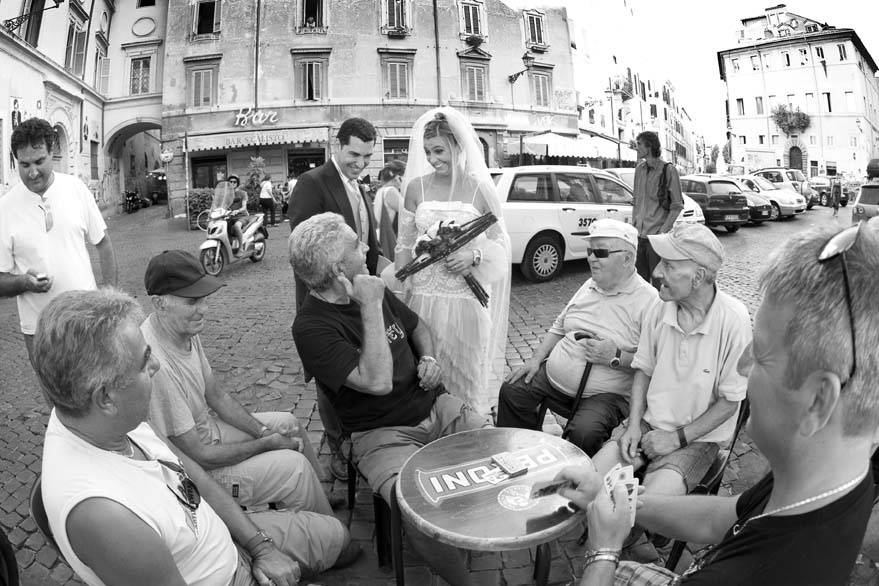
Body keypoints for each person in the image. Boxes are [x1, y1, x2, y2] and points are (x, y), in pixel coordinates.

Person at [556, 220, 879, 586]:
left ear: (818, 401)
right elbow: (719, 517)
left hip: (689, 445)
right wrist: (607, 493)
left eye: (760, 353)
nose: (743, 365)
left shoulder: (743, 574)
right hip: (650, 427)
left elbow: (728, 401)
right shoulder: (827, 484)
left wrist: (605, 551)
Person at [36, 288, 359, 586]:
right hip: (228, 575)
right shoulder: (102, 514)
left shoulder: (106, 417)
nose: (156, 365)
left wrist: (260, 546)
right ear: (105, 397)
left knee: (340, 540)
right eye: (143, 362)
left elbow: (194, 478)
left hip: (224, 537)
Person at [289, 212, 490, 586]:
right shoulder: (312, 326)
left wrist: (428, 358)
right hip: (381, 434)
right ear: (337, 268)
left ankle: (470, 529)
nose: (366, 247)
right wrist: (368, 303)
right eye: (355, 244)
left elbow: (419, 328)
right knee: (413, 507)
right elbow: (377, 382)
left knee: (496, 451)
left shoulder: (371, 289)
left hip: (434, 407)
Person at [140, 250, 350, 514]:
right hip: (199, 472)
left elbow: (216, 394)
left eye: (204, 299)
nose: (204, 309)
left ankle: (315, 494)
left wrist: (262, 432)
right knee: (293, 468)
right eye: (193, 301)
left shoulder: (179, 327)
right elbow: (199, 456)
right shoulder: (157, 365)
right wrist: (267, 443)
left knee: (290, 424)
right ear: (159, 304)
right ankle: (331, 539)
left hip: (208, 436)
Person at [588, 223, 750, 557]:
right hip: (648, 423)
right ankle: (634, 537)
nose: (657, 272)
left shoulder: (733, 320)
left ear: (700, 276)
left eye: (670, 265)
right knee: (590, 482)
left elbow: (729, 403)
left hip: (696, 439)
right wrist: (634, 425)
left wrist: (675, 439)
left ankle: (642, 542)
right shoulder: (659, 309)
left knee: (645, 506)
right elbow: (643, 370)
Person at [496, 219, 660, 455]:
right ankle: (520, 456)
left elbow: (652, 365)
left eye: (600, 252)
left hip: (605, 394)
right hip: (553, 380)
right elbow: (559, 326)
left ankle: (574, 481)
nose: (591, 258)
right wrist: (535, 360)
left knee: (585, 432)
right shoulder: (589, 284)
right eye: (590, 251)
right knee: (513, 391)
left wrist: (615, 356)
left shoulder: (649, 301)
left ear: (626, 258)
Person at [395, 107, 512, 417]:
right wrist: (403, 281)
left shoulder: (480, 189)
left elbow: (500, 241)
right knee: (424, 375)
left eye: (439, 150)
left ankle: (466, 431)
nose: (433, 158)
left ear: (459, 147)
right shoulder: (415, 187)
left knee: (464, 376)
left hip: (464, 299)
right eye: (428, 151)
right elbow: (404, 242)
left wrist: (473, 255)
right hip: (422, 298)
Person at [287, 117, 382, 480]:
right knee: (331, 375)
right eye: (354, 154)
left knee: (358, 365)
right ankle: (337, 448)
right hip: (327, 299)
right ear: (336, 145)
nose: (360, 163)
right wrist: (336, 293)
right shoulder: (313, 183)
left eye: (367, 157)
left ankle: (359, 436)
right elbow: (303, 251)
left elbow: (367, 240)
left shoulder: (361, 185)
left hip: (358, 296)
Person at [0, 117, 117, 373]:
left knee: (96, 388)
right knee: (56, 400)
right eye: (24, 164)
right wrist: (23, 283)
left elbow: (103, 244)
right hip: (39, 328)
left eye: (40, 161)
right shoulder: (5, 208)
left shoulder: (75, 188)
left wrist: (109, 298)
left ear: (52, 153)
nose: (32, 172)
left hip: (86, 320)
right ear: (15, 161)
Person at [632, 131, 684, 287]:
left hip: (656, 239)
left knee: (658, 284)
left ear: (649, 146)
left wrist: (662, 232)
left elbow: (677, 206)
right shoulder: (639, 170)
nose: (637, 148)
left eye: (639, 144)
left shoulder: (668, 170)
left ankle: (660, 311)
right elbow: (636, 201)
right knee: (640, 285)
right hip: (639, 238)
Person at [373, 160, 406, 261]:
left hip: (380, 237)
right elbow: (409, 211)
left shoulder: (381, 190)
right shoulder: (391, 191)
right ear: (398, 177)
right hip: (389, 238)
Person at [227, 175, 248, 250]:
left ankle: (241, 248)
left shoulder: (243, 193)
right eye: (231, 182)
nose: (232, 183)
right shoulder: (227, 194)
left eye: (234, 182)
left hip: (242, 216)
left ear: (237, 183)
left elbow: (244, 207)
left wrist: (238, 210)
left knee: (237, 226)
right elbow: (222, 205)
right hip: (230, 217)